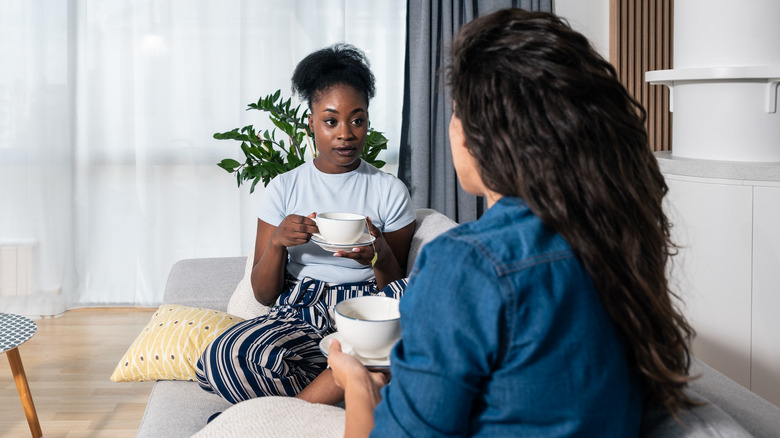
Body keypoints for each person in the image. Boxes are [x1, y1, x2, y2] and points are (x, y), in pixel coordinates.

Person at [328, 8, 696, 437]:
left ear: (483, 134)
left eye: (455, 111)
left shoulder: (464, 263)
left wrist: (355, 382)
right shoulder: (617, 238)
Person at [196, 43, 416, 406]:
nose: (345, 133)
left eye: (357, 120)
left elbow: (394, 289)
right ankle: (346, 383)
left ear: (367, 122)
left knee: (416, 297)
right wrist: (278, 243)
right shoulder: (284, 187)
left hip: (367, 312)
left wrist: (378, 255)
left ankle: (297, 410)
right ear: (311, 122)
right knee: (221, 358)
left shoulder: (389, 190)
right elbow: (264, 295)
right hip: (303, 308)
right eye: (331, 121)